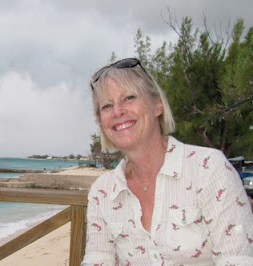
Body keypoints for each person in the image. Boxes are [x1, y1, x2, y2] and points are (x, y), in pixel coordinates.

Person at [82, 58, 253, 265]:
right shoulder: (102, 193)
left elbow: (237, 258)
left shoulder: (209, 169)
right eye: (107, 105)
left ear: (157, 106)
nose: (118, 111)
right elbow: (98, 259)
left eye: (129, 97)